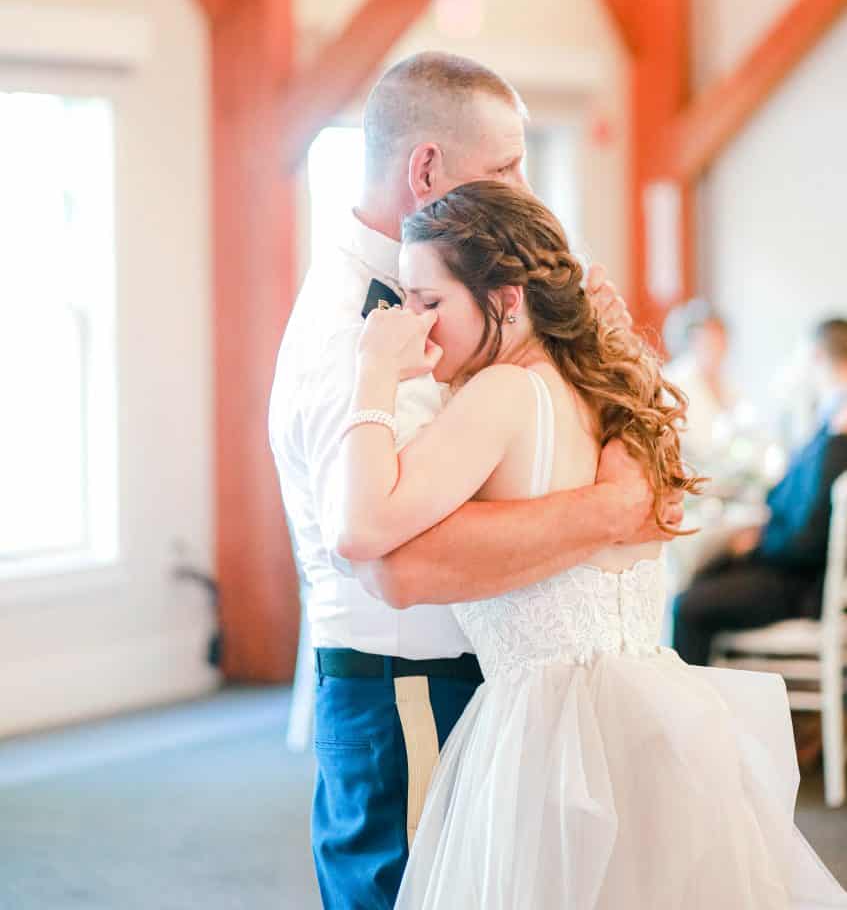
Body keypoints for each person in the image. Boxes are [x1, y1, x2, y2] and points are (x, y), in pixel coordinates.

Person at [331, 181, 847, 909]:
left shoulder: (504, 396)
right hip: (651, 716)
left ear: (506, 299)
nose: (413, 324)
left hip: (547, 733)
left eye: (428, 302)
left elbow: (359, 530)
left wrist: (372, 374)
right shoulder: (610, 393)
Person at [269, 52, 682, 910]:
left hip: (491, 672)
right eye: (505, 166)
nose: (527, 189)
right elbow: (398, 561)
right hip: (401, 680)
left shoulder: (471, 321)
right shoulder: (359, 330)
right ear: (425, 169)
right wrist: (608, 508)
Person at [673, 318, 847, 667]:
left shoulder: (839, 431)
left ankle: (696, 713)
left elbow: (810, 535)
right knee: (705, 570)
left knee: (688, 606)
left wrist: (759, 542)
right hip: (791, 562)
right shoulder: (830, 419)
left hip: (800, 582)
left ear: (815, 357)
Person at [663, 299, 739, 466]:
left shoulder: (727, 383)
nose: (717, 348)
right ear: (691, 341)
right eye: (709, 341)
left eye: (721, 341)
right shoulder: (673, 382)